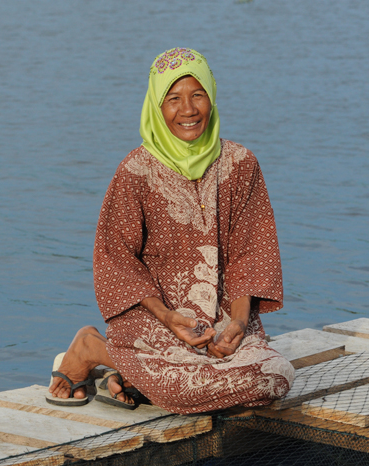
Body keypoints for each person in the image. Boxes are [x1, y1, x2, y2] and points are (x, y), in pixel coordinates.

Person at [47, 48, 295, 415]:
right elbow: (115, 258)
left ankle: (136, 375)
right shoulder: (135, 172)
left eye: (198, 95)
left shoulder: (242, 164)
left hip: (225, 320)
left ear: (211, 96)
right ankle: (94, 349)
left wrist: (239, 323)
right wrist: (167, 317)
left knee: (276, 376)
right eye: (173, 99)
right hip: (156, 322)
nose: (188, 110)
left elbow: (252, 251)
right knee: (182, 388)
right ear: (156, 106)